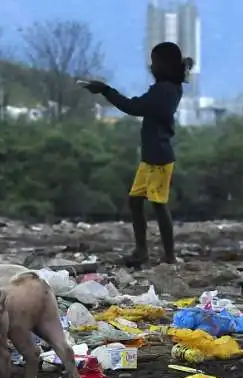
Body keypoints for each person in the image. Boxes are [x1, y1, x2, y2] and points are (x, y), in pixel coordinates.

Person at [81, 42, 193, 266]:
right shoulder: (166, 88)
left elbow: (134, 107)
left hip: (159, 158)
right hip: (151, 157)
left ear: (163, 65)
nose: (151, 67)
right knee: (135, 201)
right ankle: (142, 252)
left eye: (154, 63)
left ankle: (169, 256)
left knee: (159, 205)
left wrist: (105, 91)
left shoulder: (165, 91)